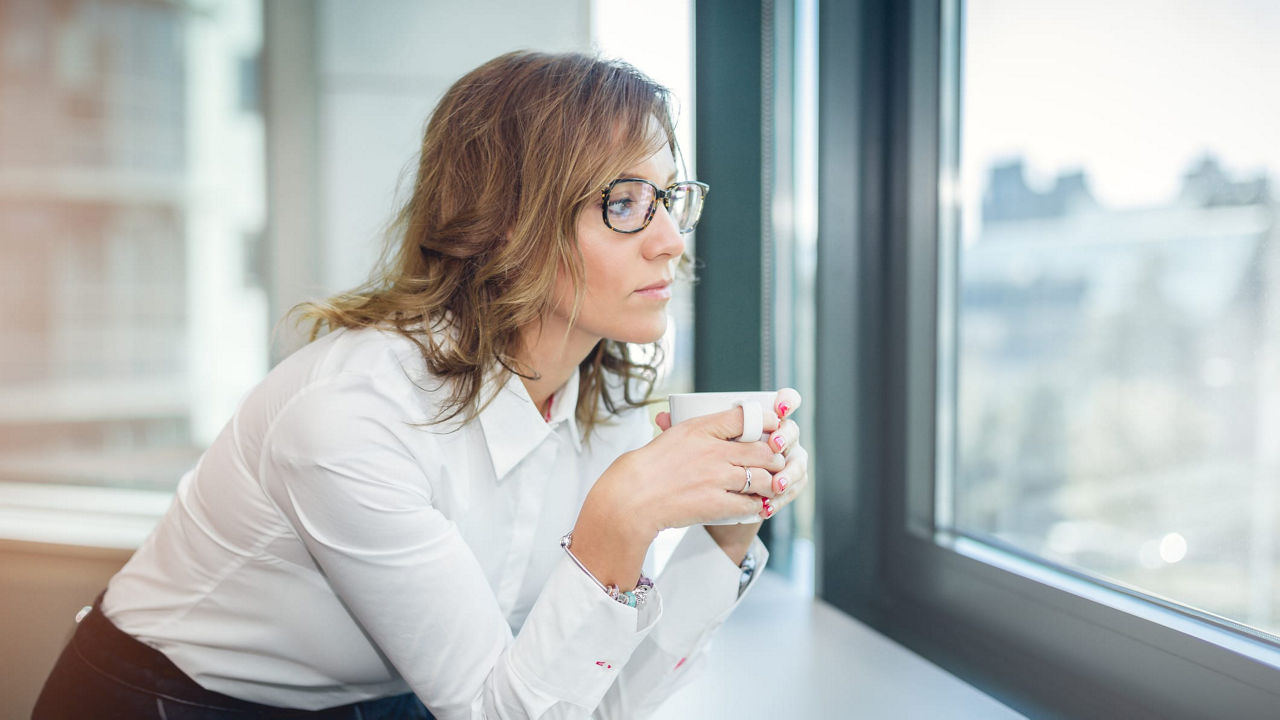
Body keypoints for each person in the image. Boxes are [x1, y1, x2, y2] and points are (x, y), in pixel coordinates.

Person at [32, 51, 808, 719]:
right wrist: (619, 516)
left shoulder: (601, 406)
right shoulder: (351, 419)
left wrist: (725, 532)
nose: (671, 242)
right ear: (504, 222)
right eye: (627, 204)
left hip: (412, 698)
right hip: (173, 699)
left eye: (672, 200)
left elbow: (585, 698)